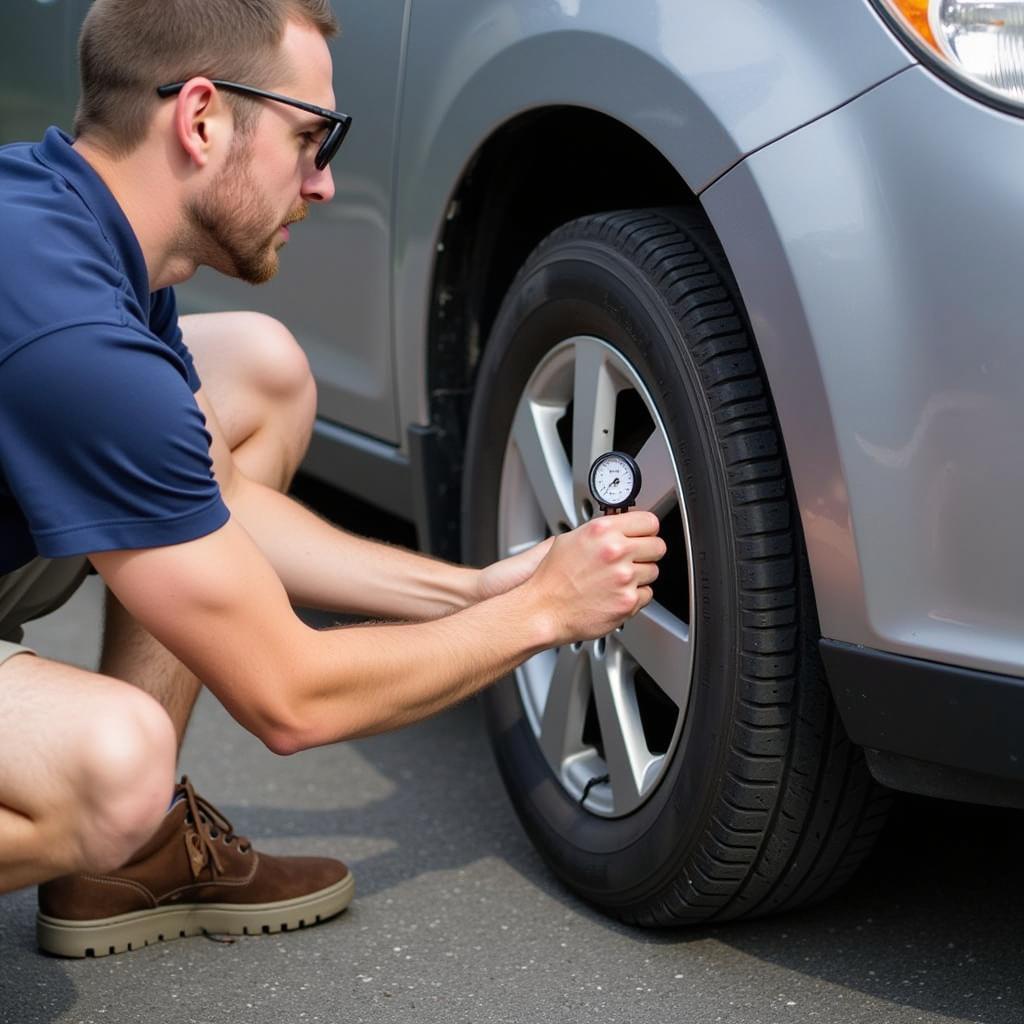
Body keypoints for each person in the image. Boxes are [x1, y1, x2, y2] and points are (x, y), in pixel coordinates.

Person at [0, 0, 664, 958]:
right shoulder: (77, 341)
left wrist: (470, 590)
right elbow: (291, 697)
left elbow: (203, 506)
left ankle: (120, 869)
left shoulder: (76, 226)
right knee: (115, 766)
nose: (322, 183)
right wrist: (543, 615)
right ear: (200, 117)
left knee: (255, 370)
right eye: (310, 138)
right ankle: (119, 834)